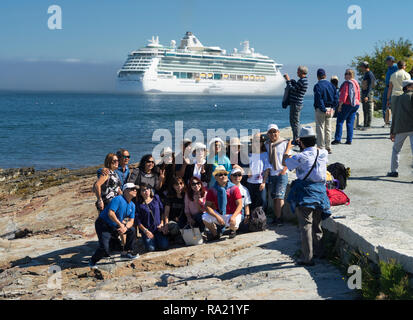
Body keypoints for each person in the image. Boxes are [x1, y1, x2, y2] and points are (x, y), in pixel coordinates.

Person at [283, 127, 331, 266]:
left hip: (306, 193)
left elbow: (285, 163)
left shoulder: (300, 156)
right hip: (320, 192)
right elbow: (317, 150)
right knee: (317, 224)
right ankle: (320, 252)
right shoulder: (323, 153)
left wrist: (288, 149)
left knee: (306, 226)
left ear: (301, 142)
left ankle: (307, 257)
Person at [89, 183, 140, 269]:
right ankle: (92, 261)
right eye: (132, 189)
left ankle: (126, 253)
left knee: (131, 230)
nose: (135, 190)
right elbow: (110, 213)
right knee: (104, 248)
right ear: (126, 191)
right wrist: (121, 225)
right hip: (103, 224)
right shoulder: (118, 199)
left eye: (135, 189)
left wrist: (125, 227)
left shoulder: (132, 205)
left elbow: (132, 221)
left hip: (115, 225)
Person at [203, 165, 243, 240]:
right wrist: (217, 216)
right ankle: (215, 234)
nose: (223, 176)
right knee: (204, 217)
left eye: (225, 174)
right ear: (215, 177)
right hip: (220, 214)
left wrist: (233, 217)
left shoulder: (234, 188)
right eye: (220, 174)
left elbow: (240, 204)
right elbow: (207, 206)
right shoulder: (212, 190)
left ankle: (232, 230)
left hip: (232, 214)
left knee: (233, 224)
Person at [387, 79, 413, 178]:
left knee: (396, 150)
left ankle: (394, 171)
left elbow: (395, 116)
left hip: (400, 128)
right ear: (408, 86)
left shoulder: (397, 99)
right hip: (411, 128)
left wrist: (392, 131)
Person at [264, 124, 290, 226]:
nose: (273, 134)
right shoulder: (266, 144)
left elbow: (289, 158)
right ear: (267, 134)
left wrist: (284, 170)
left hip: (281, 173)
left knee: (280, 197)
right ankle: (276, 217)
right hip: (272, 173)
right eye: (270, 132)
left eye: (275, 131)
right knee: (274, 197)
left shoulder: (284, 143)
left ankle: (280, 218)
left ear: (278, 132)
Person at [135, 183, 169, 252]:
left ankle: (157, 240)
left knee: (164, 246)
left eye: (147, 189)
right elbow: (138, 221)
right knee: (151, 249)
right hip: (148, 231)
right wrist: (146, 231)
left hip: (158, 229)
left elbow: (162, 212)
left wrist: (162, 223)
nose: (146, 191)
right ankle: (144, 240)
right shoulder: (139, 204)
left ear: (150, 190)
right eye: (143, 190)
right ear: (140, 193)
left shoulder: (156, 198)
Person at [332, 69, 361, 145]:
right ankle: (349, 140)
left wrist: (340, 105)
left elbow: (344, 95)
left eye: (346, 74)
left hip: (347, 104)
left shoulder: (347, 83)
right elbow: (358, 94)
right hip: (355, 104)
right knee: (350, 122)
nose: (344, 75)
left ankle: (337, 139)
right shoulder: (356, 82)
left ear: (349, 75)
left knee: (340, 121)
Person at [313, 68, 338, 154]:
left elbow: (318, 99)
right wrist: (333, 108)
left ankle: (321, 147)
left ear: (317, 77)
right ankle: (328, 147)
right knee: (328, 128)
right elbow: (336, 97)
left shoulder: (317, 86)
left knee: (320, 128)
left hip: (321, 109)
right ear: (325, 75)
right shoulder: (331, 85)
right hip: (330, 109)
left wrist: (323, 109)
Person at [284, 66, 309, 144]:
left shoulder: (302, 81)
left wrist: (288, 80)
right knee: (294, 121)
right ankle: (296, 138)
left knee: (295, 122)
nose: (297, 73)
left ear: (301, 72)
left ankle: (297, 139)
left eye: (298, 71)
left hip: (296, 104)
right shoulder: (303, 80)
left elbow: (292, 89)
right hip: (297, 103)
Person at [246, 133, 270, 211]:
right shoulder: (250, 154)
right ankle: (252, 220)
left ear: (262, 143)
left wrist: (264, 182)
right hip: (250, 181)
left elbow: (267, 169)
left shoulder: (265, 154)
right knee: (251, 202)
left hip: (260, 182)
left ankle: (261, 220)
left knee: (262, 201)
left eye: (259, 141)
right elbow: (247, 166)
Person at [162, 176, 185, 240]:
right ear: (173, 186)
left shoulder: (186, 195)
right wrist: (166, 225)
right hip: (172, 221)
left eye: (181, 183)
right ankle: (173, 237)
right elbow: (166, 213)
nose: (179, 186)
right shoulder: (169, 196)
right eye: (176, 184)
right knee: (174, 227)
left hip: (184, 221)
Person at [359, 61, 376, 130]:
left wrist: (367, 95)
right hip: (365, 92)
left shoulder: (369, 74)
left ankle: (368, 124)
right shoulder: (367, 73)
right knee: (365, 109)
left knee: (368, 109)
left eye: (361, 67)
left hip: (368, 93)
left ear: (364, 67)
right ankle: (365, 124)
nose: (361, 68)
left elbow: (370, 86)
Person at [382, 56, 398, 126]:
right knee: (385, 104)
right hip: (387, 87)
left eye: (387, 61)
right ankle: (386, 121)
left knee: (391, 104)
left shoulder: (396, 67)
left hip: (392, 88)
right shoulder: (389, 67)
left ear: (391, 61)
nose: (386, 62)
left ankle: (391, 121)